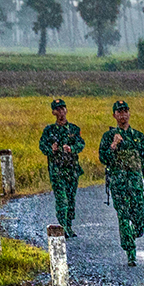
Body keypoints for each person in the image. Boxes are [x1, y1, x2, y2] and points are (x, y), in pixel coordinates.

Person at [98, 100, 144, 267]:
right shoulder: (108, 136)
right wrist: (113, 145)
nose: (122, 115)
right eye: (119, 112)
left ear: (129, 113)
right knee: (123, 217)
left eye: (125, 112)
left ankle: (133, 234)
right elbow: (103, 158)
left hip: (135, 184)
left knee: (140, 220)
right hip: (118, 184)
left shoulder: (137, 136)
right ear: (114, 115)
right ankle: (130, 252)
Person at [38, 98, 85, 236]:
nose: (61, 112)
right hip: (57, 170)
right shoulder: (49, 130)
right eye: (57, 109)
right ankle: (62, 226)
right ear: (53, 112)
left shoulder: (74, 129)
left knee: (70, 199)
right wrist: (51, 149)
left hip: (71, 169)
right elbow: (42, 146)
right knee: (61, 199)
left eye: (63, 108)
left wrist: (71, 148)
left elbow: (81, 144)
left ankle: (69, 225)